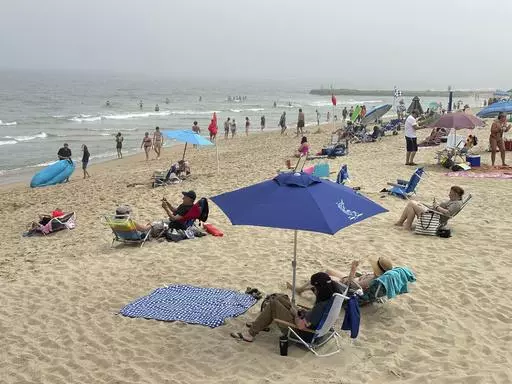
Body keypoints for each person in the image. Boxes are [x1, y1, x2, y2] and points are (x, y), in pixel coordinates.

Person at [230, 272, 342, 342]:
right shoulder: (332, 298)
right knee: (281, 297)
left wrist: (295, 314)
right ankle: (260, 323)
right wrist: (301, 312)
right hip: (307, 321)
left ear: (320, 288)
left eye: (313, 288)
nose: (313, 291)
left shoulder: (320, 306)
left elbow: (301, 326)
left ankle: (250, 334)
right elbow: (312, 317)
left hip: (303, 333)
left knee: (274, 303)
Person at [289, 257, 393, 295]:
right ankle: (304, 287)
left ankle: (301, 289)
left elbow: (351, 285)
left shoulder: (371, 281)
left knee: (323, 277)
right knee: (328, 270)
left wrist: (353, 268)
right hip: (350, 279)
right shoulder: (377, 276)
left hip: (346, 284)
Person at [394, 186, 465, 231]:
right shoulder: (454, 201)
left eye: (450, 192)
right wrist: (429, 205)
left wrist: (436, 206)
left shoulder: (456, 204)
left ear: (455, 194)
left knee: (411, 203)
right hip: (433, 213)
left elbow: (448, 213)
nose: (449, 194)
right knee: (412, 205)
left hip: (434, 217)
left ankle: (405, 225)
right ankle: (404, 224)